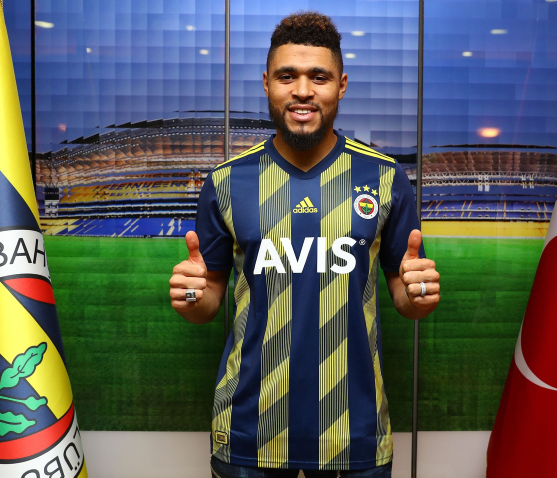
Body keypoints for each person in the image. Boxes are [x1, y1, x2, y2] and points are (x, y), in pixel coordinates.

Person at [170, 11, 440, 478]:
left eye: (319, 77)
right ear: (267, 83)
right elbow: (207, 301)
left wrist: (419, 295)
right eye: (286, 76)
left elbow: (405, 297)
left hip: (354, 436)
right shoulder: (227, 181)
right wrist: (192, 295)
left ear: (341, 85)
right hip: (249, 433)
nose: (302, 90)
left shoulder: (384, 177)